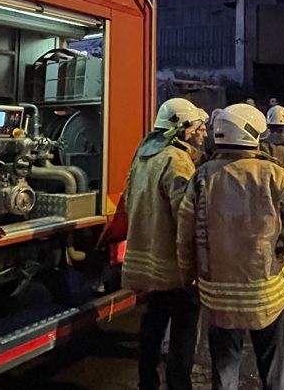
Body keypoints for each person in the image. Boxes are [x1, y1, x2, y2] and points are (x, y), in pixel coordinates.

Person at [177, 104, 284, 390]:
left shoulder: (202, 177)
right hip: (266, 294)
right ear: (252, 134)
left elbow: (185, 235)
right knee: (274, 366)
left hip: (219, 297)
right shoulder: (270, 173)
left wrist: (188, 277)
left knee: (225, 367)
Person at [122, 97, 208, 390]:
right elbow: (186, 214)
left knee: (153, 324)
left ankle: (146, 382)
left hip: (149, 262)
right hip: (174, 266)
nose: (204, 133)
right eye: (199, 127)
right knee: (183, 335)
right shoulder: (176, 160)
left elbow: (126, 200)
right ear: (183, 129)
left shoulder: (144, 154)